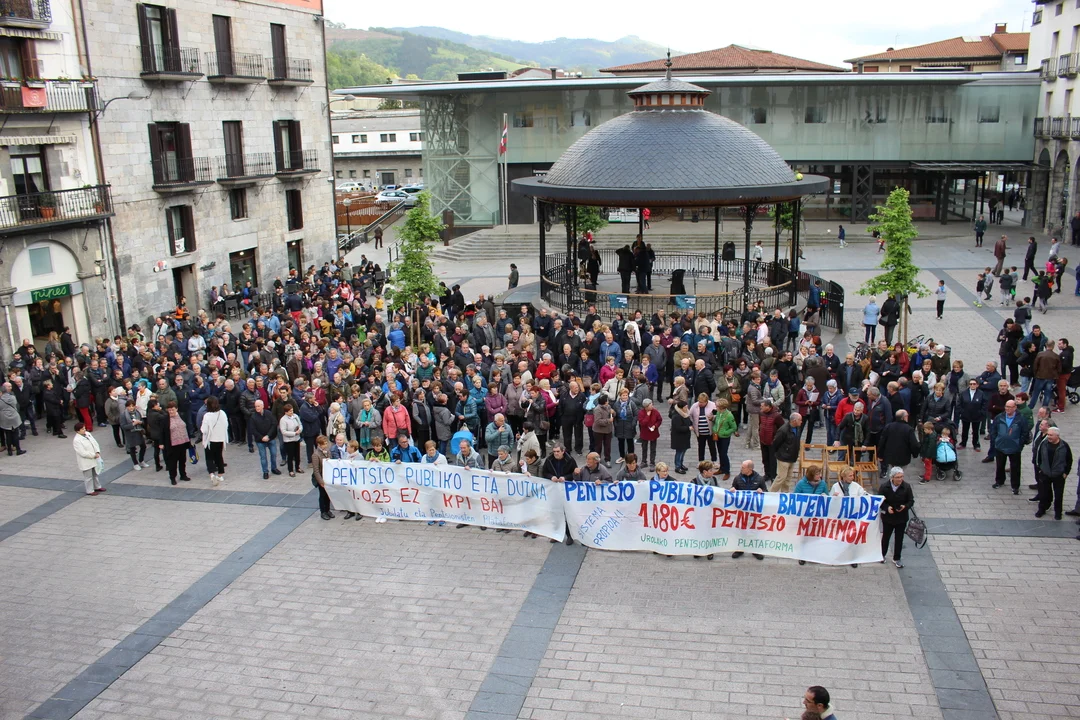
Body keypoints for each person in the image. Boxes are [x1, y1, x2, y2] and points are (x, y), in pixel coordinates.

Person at [879, 466, 913, 568]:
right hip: (888, 517)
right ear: (892, 477)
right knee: (886, 537)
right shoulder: (884, 487)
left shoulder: (906, 487)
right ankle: (882, 555)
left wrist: (905, 506)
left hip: (901, 517)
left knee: (899, 538)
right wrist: (886, 507)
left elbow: (911, 501)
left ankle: (897, 558)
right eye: (898, 477)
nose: (900, 479)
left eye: (901, 477)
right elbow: (879, 500)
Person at [793, 465, 827, 565]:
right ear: (811, 475)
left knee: (815, 535)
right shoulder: (801, 484)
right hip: (805, 514)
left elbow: (827, 495)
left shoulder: (823, 484)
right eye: (817, 474)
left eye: (819, 474)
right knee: (804, 535)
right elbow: (795, 497)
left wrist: (825, 496)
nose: (819, 476)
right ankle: (802, 555)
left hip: (817, 514)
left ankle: (813, 554)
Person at [1037, 428, 1072, 522]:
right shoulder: (1044, 444)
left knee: (1058, 495)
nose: (1048, 437)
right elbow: (1039, 456)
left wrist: (1066, 473)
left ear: (1057, 436)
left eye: (1051, 435)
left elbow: (1069, 460)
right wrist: (1040, 468)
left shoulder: (1064, 446)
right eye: (1048, 434)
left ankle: (1058, 513)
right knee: (1043, 493)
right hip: (1045, 473)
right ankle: (1042, 509)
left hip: (1058, 475)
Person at [200, 395, 229, 486]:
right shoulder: (222, 413)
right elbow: (226, 425)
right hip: (220, 439)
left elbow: (204, 430)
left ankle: (212, 474)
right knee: (219, 456)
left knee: (209, 457)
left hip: (210, 440)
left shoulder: (207, 416)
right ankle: (220, 475)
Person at [161, 401, 192, 485]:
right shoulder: (165, 419)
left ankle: (183, 475)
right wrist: (161, 443)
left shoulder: (182, 415)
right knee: (173, 462)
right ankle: (172, 477)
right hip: (172, 444)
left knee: (182, 460)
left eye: (173, 409)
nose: (171, 411)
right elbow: (162, 432)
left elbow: (187, 427)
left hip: (183, 442)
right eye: (169, 410)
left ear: (176, 409)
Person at [771, 412, 803, 493]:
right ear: (794, 421)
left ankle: (785, 493)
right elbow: (775, 443)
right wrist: (781, 453)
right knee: (781, 477)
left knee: (788, 478)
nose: (801, 422)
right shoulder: (783, 430)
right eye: (800, 420)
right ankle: (771, 493)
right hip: (783, 458)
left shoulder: (797, 428)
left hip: (792, 457)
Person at [249, 399, 281, 479]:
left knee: (273, 454)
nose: (257, 408)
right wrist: (261, 437)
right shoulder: (253, 417)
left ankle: (274, 468)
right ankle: (265, 471)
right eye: (256, 406)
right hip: (260, 440)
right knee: (263, 457)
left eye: (258, 406)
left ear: (262, 406)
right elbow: (253, 429)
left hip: (270, 438)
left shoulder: (269, 413)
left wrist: (268, 435)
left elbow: (274, 424)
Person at [72, 422, 105, 496]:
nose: (84, 430)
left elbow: (95, 443)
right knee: (88, 477)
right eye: (82, 429)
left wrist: (97, 451)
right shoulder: (76, 440)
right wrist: (93, 455)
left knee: (95, 474)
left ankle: (97, 486)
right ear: (77, 431)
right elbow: (82, 452)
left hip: (94, 458)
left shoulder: (88, 434)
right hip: (86, 460)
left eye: (84, 428)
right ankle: (90, 490)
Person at [119, 398, 149, 471]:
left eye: (133, 406)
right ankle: (135, 463)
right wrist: (133, 424)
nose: (131, 408)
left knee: (143, 446)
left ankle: (141, 460)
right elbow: (123, 426)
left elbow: (142, 421)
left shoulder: (137, 412)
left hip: (139, 432)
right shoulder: (123, 415)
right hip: (130, 433)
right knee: (132, 448)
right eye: (129, 406)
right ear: (126, 407)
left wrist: (140, 422)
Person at [312, 435, 334, 521]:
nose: (326, 445)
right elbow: (316, 470)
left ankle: (328, 510)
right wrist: (320, 481)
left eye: (326, 443)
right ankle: (323, 511)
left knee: (328, 495)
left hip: (328, 476)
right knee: (322, 495)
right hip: (321, 477)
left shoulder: (328, 451)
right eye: (324, 444)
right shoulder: (316, 455)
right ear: (319, 445)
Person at [0, 382, 25, 456]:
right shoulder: (12, 397)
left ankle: (9, 451)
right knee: (15, 434)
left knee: (8, 435)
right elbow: (15, 405)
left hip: (5, 418)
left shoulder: (0, 400)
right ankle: (18, 449)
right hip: (14, 417)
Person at [278, 403, 303, 476]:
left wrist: (300, 430)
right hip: (289, 440)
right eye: (290, 411)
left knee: (297, 454)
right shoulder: (283, 420)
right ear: (286, 412)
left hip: (297, 438)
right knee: (290, 456)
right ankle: (290, 470)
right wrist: (294, 433)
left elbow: (300, 424)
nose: (292, 412)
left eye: (292, 410)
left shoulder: (295, 416)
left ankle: (297, 467)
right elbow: (283, 431)